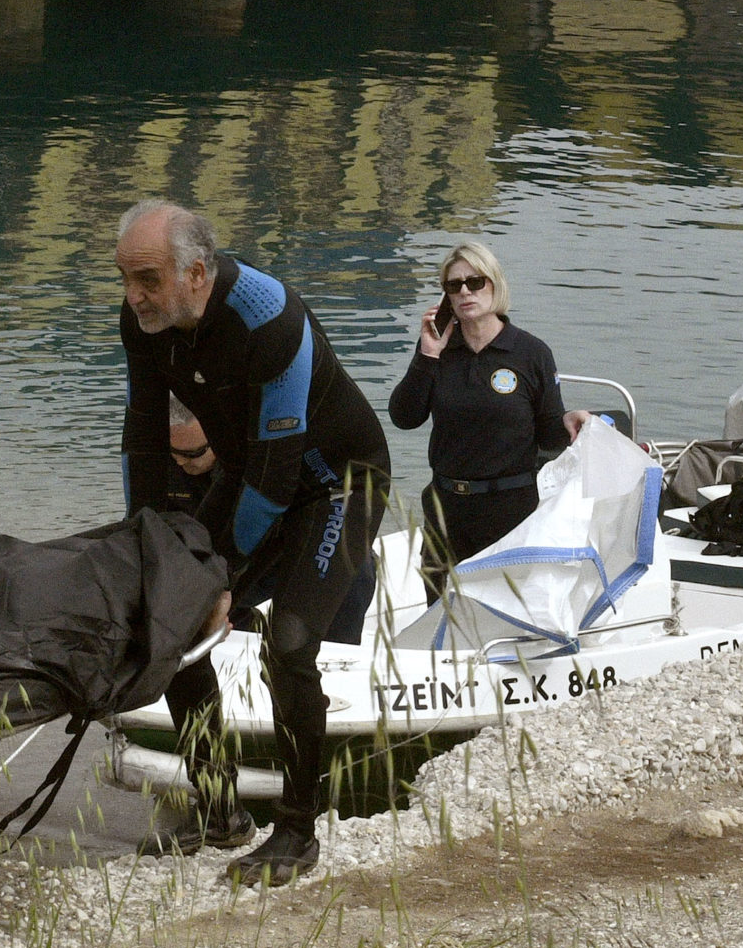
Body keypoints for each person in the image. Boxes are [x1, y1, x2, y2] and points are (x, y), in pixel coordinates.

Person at [117, 199, 392, 886]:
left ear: (197, 274)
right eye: (124, 278)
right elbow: (142, 439)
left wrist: (220, 576)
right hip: (253, 476)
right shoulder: (144, 321)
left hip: (335, 486)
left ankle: (296, 832)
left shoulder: (271, 317)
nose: (134, 296)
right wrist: (146, 550)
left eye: (147, 278)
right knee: (175, 621)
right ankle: (218, 812)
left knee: (290, 643)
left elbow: (273, 478)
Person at [386, 242, 588, 595]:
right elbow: (404, 417)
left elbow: (549, 436)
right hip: (446, 505)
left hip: (511, 507)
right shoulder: (437, 351)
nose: (465, 292)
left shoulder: (530, 352)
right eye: (454, 285)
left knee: (505, 608)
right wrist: (427, 357)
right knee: (439, 614)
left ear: (494, 284)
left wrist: (568, 418)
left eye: (475, 282)